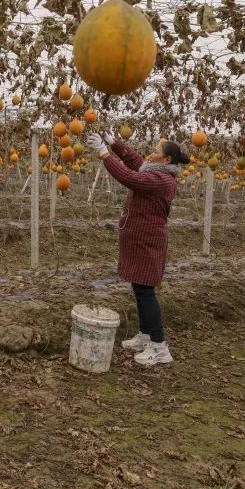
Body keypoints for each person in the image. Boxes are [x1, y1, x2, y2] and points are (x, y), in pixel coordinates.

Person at [86, 132, 190, 366]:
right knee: (139, 288)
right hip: (139, 239)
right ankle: (146, 335)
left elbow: (129, 177)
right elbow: (135, 162)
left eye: (156, 152)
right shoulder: (156, 171)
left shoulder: (162, 181)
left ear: (166, 161)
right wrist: (114, 144)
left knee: (146, 292)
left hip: (148, 242)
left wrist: (104, 153)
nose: (150, 154)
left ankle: (159, 346)